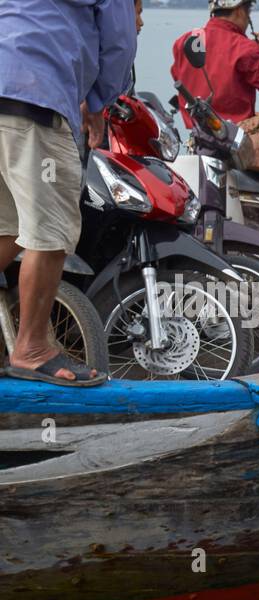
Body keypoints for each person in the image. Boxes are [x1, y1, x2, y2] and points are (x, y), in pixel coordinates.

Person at [0, 0, 135, 386]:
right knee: (51, 232)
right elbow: (120, 41)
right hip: (36, 98)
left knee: (5, 229)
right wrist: (97, 103)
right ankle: (31, 349)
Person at [171, 0, 259, 128]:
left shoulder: (185, 40)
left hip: (197, 138)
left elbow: (177, 76)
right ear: (239, 11)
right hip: (233, 138)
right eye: (248, 12)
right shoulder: (244, 47)